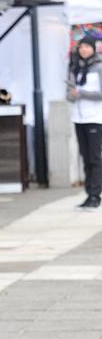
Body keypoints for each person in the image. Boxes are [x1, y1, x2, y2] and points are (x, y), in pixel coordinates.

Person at [67, 35, 102, 210]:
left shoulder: (99, 67)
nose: (84, 50)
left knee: (95, 158)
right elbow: (69, 94)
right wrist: (73, 94)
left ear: (93, 49)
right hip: (78, 118)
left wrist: (81, 93)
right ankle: (89, 193)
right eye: (81, 47)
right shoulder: (75, 68)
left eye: (87, 47)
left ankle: (95, 195)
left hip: (95, 118)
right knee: (86, 158)